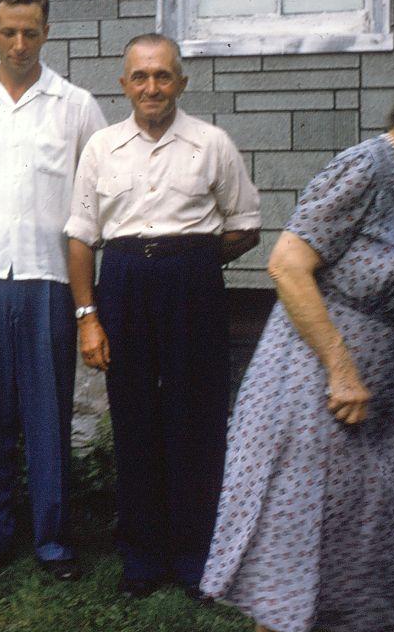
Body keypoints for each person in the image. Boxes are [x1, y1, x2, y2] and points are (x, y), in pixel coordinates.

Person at [200, 67, 394, 632]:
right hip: (315, 394)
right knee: (296, 540)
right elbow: (288, 265)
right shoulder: (365, 167)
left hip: (379, 405)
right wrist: (341, 368)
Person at [65, 33, 261, 598]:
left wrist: (190, 261)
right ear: (123, 84)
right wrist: (88, 316)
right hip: (122, 282)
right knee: (133, 420)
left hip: (193, 285)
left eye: (163, 76)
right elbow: (81, 239)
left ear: (181, 82)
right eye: (141, 77)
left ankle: (196, 556)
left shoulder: (211, 144)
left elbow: (244, 226)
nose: (152, 87)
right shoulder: (101, 148)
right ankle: (142, 558)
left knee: (196, 420)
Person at [0, 0, 107, 581]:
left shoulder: (77, 106)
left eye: (30, 33)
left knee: (46, 415)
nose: (19, 45)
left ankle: (54, 542)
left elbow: (93, 194)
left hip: (47, 277)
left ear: (47, 31)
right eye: (8, 33)